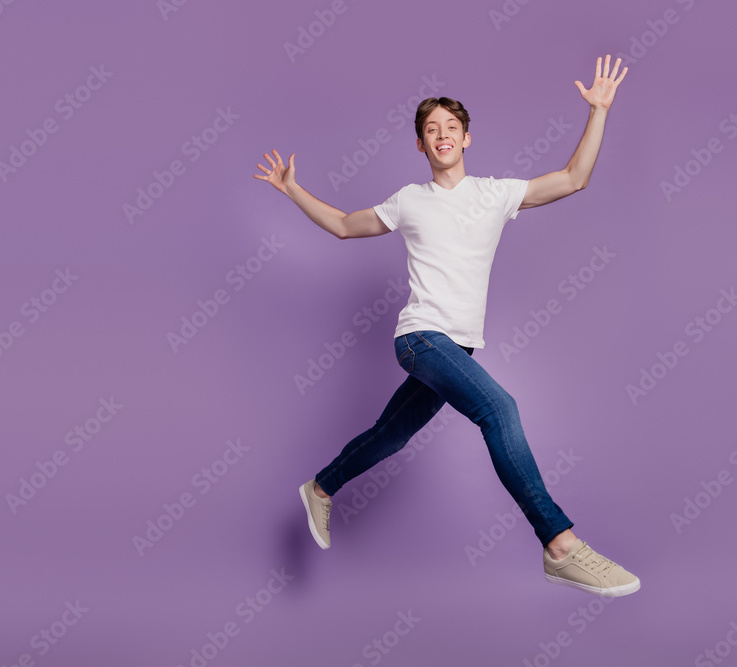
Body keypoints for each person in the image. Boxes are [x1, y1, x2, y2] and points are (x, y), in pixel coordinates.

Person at [254, 55, 638, 597]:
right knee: (499, 409)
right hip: (419, 339)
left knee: (391, 436)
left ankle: (320, 487)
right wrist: (293, 189)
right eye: (430, 130)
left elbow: (574, 178)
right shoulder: (409, 201)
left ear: (467, 138)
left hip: (459, 349)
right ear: (420, 145)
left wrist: (598, 112)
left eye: (450, 128)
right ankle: (560, 544)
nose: (441, 136)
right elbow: (343, 225)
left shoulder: (494, 194)